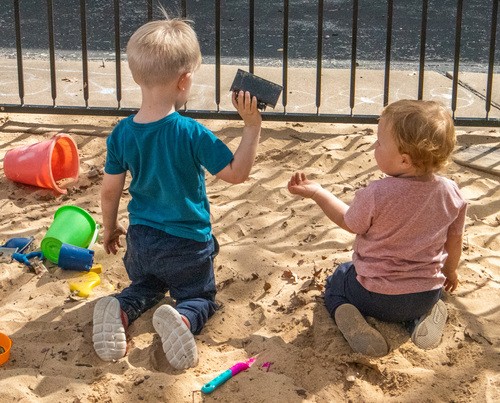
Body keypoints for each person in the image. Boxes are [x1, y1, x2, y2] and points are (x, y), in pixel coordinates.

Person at [92, 15, 262, 369]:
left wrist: (109, 228)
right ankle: (184, 317)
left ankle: (123, 308)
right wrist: (251, 127)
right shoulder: (190, 132)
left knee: (146, 285)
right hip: (187, 246)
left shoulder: (122, 133)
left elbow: (109, 191)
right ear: (184, 80)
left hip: (141, 242)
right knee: (201, 297)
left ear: (136, 76)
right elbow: (237, 174)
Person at [287, 99, 466, 357]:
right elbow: (454, 240)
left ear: (404, 160)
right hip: (425, 294)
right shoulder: (451, 193)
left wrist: (318, 192)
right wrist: (450, 272)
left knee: (338, 279)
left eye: (380, 143)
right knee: (433, 290)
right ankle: (424, 317)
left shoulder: (377, 193)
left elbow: (348, 221)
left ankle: (346, 314)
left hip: (373, 297)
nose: (374, 146)